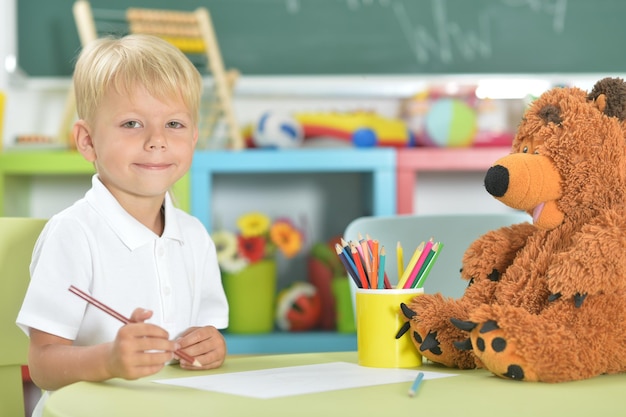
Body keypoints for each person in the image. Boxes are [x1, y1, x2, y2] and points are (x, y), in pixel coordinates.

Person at [16, 34, 229, 415]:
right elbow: (43, 365)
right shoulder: (73, 234)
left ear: (194, 137)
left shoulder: (194, 236)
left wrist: (210, 346)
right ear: (88, 141)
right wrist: (109, 360)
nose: (157, 140)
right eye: (132, 123)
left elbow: (207, 332)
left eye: (175, 124)